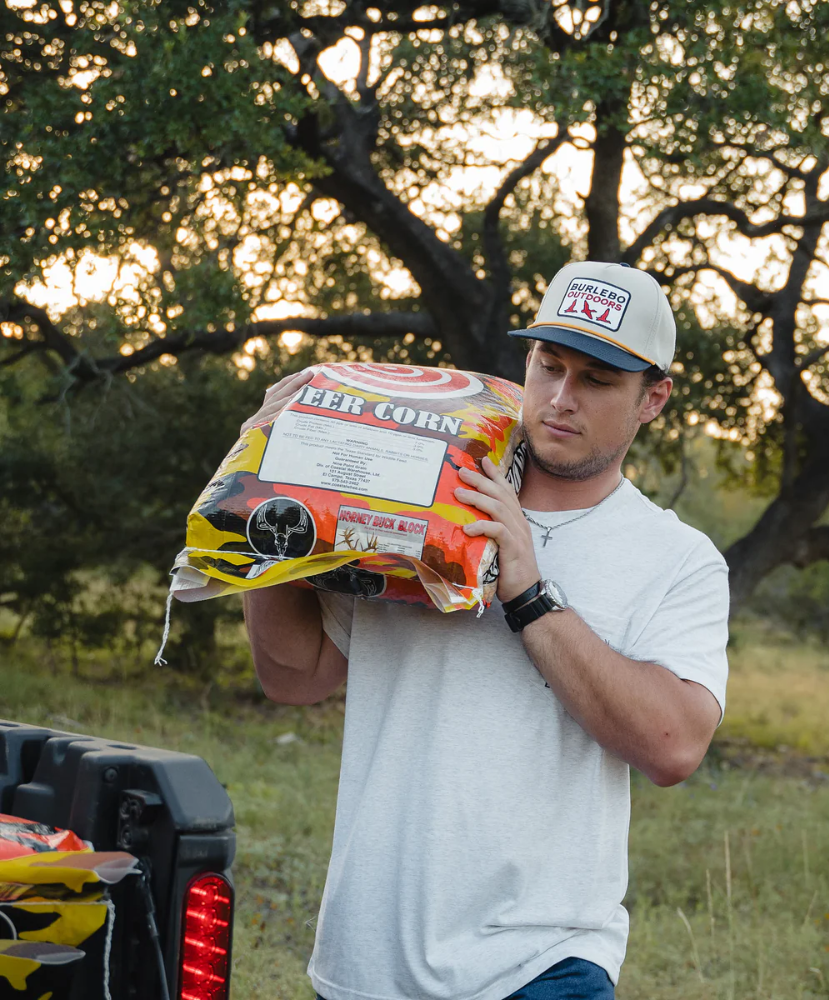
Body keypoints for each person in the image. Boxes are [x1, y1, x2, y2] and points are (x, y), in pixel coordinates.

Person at [242, 260, 729, 1000]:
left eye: (596, 380)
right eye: (548, 365)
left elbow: (673, 745)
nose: (560, 399)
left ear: (651, 399)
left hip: (540, 967)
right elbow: (292, 676)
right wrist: (270, 506)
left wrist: (528, 591)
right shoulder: (418, 502)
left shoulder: (676, 558)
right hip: (361, 961)